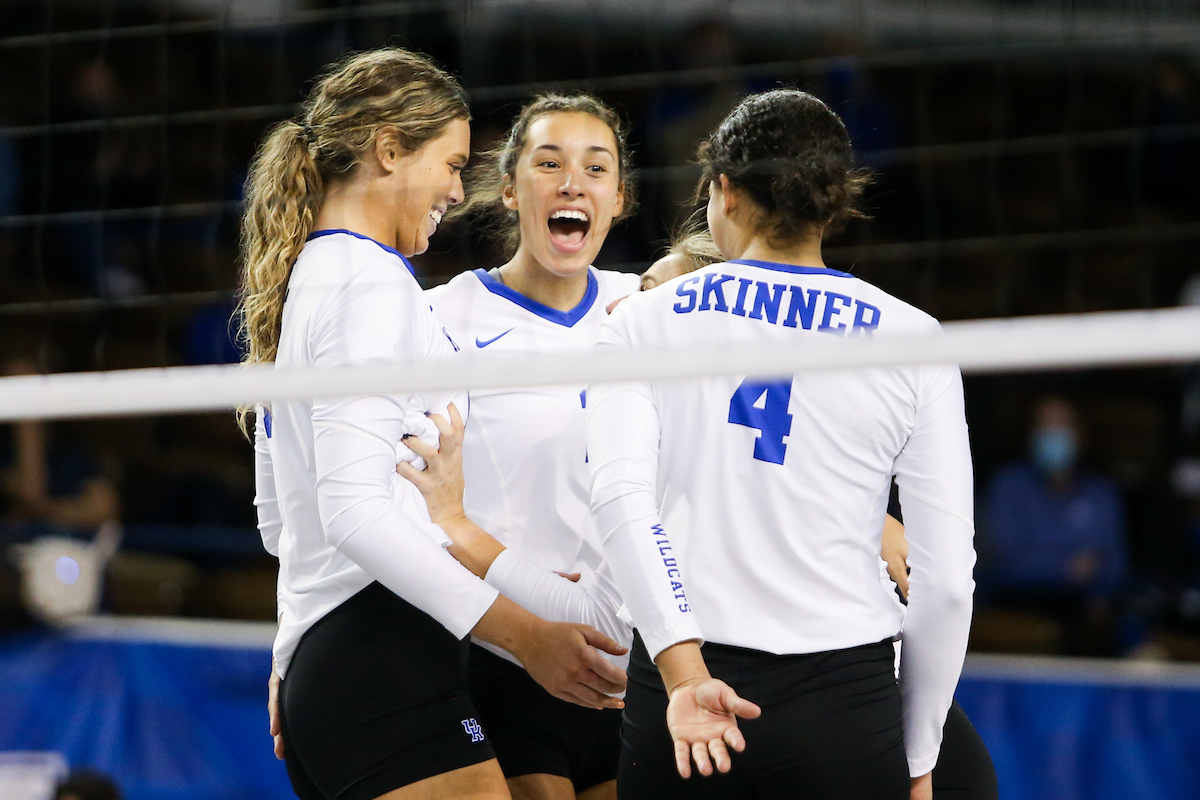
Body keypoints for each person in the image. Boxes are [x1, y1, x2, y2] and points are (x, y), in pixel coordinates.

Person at [238, 49, 625, 800]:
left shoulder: (313, 276)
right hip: (382, 651)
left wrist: (296, 648)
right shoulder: (372, 283)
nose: (457, 188)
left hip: (343, 661)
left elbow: (279, 522)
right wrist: (524, 634)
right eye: (450, 164)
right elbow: (352, 514)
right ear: (388, 150)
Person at [586, 89, 976, 800]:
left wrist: (684, 675)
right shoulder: (913, 339)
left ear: (723, 192)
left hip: (688, 700)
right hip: (843, 706)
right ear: (835, 201)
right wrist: (919, 760)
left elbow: (619, 500)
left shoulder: (643, 322)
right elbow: (945, 583)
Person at [628, 221, 998, 800]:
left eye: (665, 299)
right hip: (854, 725)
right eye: (643, 291)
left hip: (875, 719)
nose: (640, 306)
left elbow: (943, 584)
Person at [424, 93, 640, 800]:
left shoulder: (650, 311)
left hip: (626, 661)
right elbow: (406, 506)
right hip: (501, 654)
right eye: (549, 164)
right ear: (511, 190)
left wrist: (868, 518)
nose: (572, 182)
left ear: (619, 197)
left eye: (595, 167)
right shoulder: (444, 319)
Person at [980, 395, 1127, 655]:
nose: (1053, 434)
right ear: (1030, 435)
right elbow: (1001, 564)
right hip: (1015, 617)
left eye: (1062, 425)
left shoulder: (1100, 493)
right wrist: (1066, 568)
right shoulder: (1007, 487)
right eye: (1044, 426)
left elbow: (1115, 568)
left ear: (1081, 435)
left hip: (1084, 623)